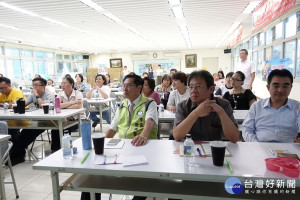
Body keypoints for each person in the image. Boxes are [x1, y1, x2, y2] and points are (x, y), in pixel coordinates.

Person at [81, 74, 158, 200]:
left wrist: (143, 136)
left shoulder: (150, 103)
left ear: (139, 88)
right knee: (91, 177)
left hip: (142, 150)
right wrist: (100, 144)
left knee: (144, 184)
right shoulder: (122, 105)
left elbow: (149, 121)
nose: (125, 89)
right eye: (124, 85)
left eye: (129, 86)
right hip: (122, 149)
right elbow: (112, 128)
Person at [173, 70, 239, 142]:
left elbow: (234, 138)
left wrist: (221, 113)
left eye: (198, 86)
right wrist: (196, 113)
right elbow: (177, 136)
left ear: (211, 89)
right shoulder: (182, 106)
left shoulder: (223, 105)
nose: (193, 91)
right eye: (191, 87)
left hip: (214, 150)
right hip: (190, 149)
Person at [242, 69, 300, 143]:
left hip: (290, 151)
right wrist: (257, 145)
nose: (280, 90)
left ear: (290, 88)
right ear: (268, 87)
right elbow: (247, 129)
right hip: (260, 148)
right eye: (276, 86)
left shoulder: (297, 107)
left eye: (285, 86)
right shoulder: (257, 107)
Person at [11, 78, 54, 165]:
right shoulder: (32, 95)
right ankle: (17, 156)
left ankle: (17, 156)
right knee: (23, 134)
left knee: (28, 134)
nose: (34, 87)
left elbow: (43, 105)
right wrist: (17, 103)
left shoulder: (48, 95)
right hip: (35, 120)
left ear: (43, 86)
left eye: (37, 85)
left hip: (47, 121)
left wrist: (37, 95)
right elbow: (24, 104)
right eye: (33, 85)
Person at [51, 76, 84, 152]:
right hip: (64, 119)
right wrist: (72, 102)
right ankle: (55, 151)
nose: (62, 85)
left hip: (77, 119)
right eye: (62, 83)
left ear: (71, 84)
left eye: (65, 83)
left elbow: (78, 106)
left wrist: (63, 106)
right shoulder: (60, 94)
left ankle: (65, 150)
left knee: (64, 129)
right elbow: (57, 105)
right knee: (55, 129)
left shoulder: (78, 93)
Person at [0, 77, 25, 165]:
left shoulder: (16, 92)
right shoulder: (1, 95)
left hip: (21, 119)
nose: (2, 90)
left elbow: (15, 105)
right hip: (7, 119)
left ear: (9, 85)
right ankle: (6, 154)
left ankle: (17, 155)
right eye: (0, 88)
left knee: (9, 130)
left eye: (3, 88)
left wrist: (4, 105)